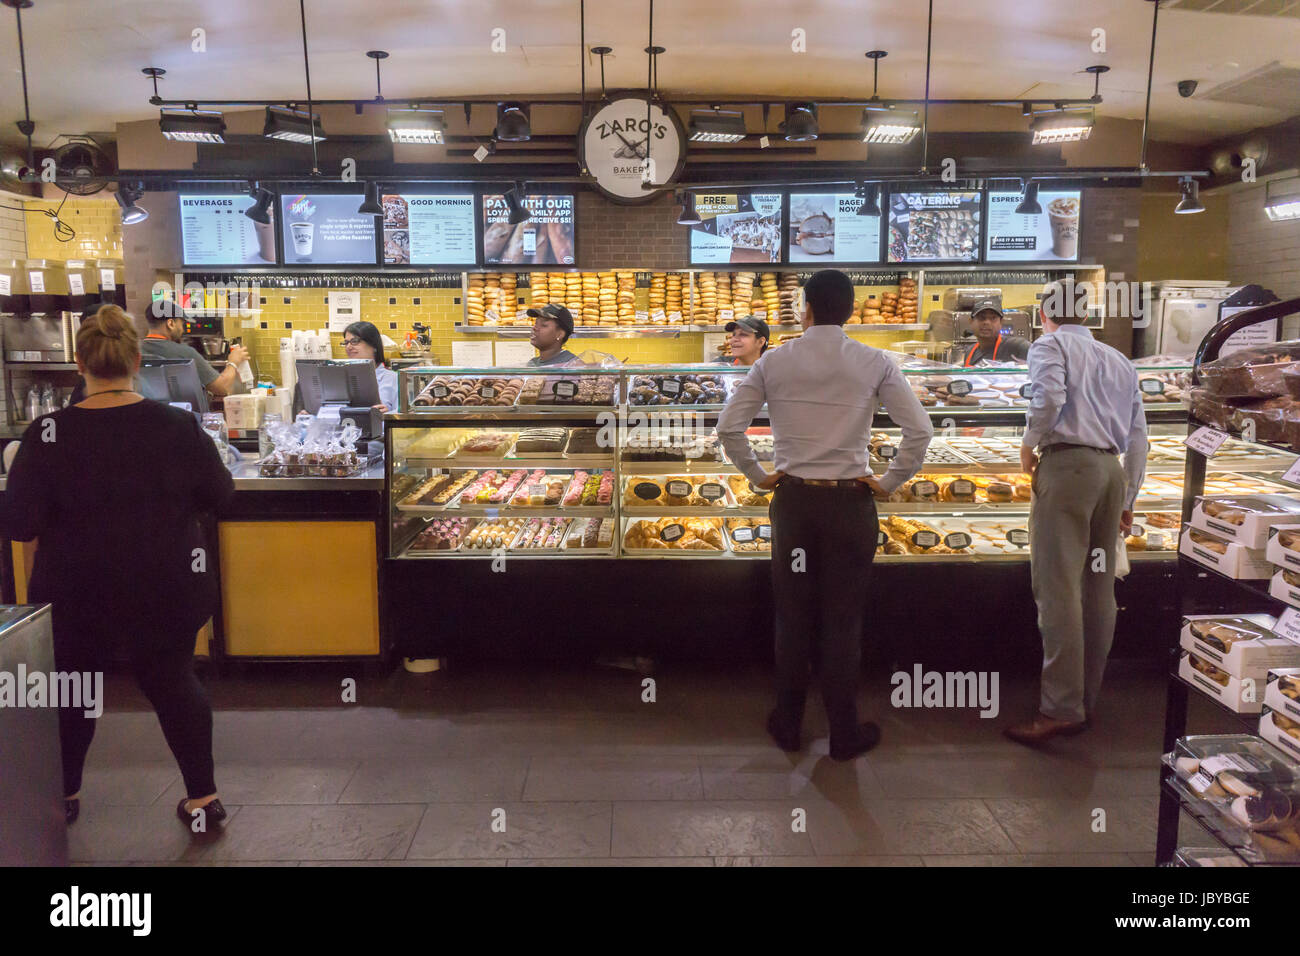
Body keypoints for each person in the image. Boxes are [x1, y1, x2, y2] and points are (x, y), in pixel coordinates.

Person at [2, 305, 236, 828]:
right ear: (136, 360)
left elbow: (18, 524)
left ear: (79, 363)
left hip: (77, 589)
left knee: (76, 684)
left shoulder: (46, 434)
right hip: (168, 583)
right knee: (174, 680)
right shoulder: (177, 425)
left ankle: (64, 797)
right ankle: (203, 798)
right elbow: (221, 496)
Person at [717, 269, 933, 760]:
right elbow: (919, 430)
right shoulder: (875, 360)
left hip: (793, 503)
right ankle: (843, 733)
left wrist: (757, 474)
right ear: (852, 311)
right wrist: (888, 481)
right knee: (842, 620)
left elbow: (729, 428)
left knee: (792, 616)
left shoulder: (773, 362)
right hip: (849, 505)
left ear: (805, 309)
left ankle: (789, 725)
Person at [1005, 280, 1148, 745]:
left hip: (1068, 468)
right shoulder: (1118, 359)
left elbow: (1047, 400)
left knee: (1058, 588)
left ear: (1045, 313)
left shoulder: (1049, 345)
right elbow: (1139, 436)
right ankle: (1086, 701)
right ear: (1086, 314)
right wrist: (1128, 498)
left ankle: (1060, 709)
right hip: (1110, 472)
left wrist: (1028, 445)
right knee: (1097, 588)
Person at [141, 299, 250, 398]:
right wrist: (233, 362)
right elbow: (222, 387)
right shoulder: (184, 353)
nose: (183, 330)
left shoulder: (133, 350)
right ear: (171, 324)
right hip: (182, 416)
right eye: (181, 324)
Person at [341, 320, 399, 413]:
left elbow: (404, 414)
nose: (348, 347)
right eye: (346, 342)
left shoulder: (393, 379)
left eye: (354, 341)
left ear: (374, 345)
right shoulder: (341, 378)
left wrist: (387, 414)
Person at [961, 300, 1031, 366]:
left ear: (1001, 323)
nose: (987, 322)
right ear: (971, 322)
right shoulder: (969, 352)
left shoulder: (1018, 346)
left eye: (993, 318)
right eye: (981, 318)